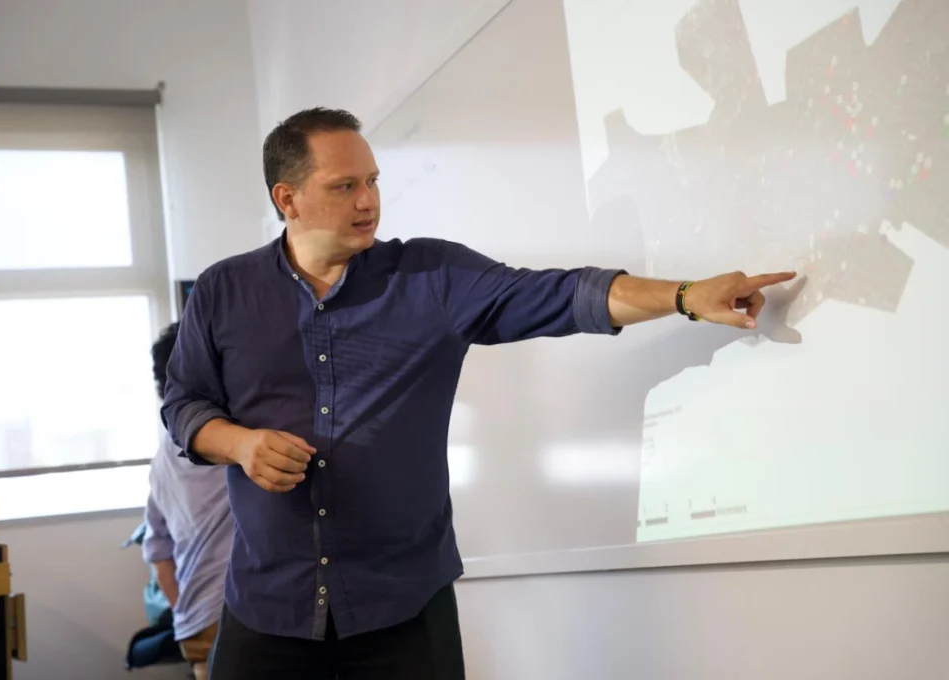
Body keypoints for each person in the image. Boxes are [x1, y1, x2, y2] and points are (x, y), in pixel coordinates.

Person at [161, 107, 796, 679]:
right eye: (344, 186)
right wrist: (239, 445)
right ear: (287, 198)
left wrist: (684, 296)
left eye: (373, 181)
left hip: (402, 609)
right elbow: (184, 404)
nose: (369, 201)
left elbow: (561, 294)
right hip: (268, 608)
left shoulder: (431, 275)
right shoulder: (223, 292)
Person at [143, 322, 233, 680]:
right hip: (236, 615)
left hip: (194, 622)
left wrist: (184, 611)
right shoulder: (229, 440)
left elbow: (158, 550)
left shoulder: (161, 457)